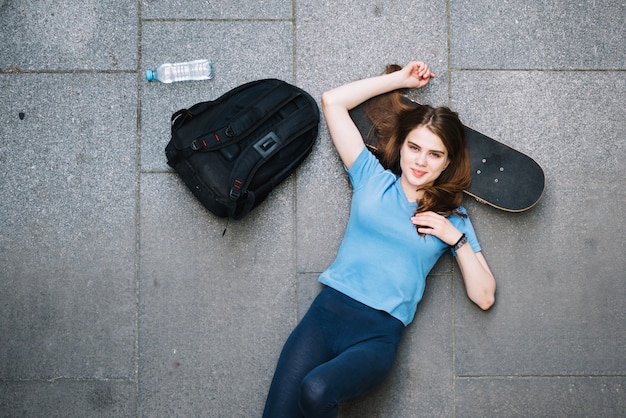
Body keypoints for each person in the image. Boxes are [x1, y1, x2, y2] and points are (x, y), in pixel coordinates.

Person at [262, 61, 496, 418]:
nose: (420, 162)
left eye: (434, 155)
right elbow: (332, 102)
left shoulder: (454, 218)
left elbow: (484, 296)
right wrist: (399, 81)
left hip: (376, 336)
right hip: (325, 316)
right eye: (414, 147)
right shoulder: (371, 177)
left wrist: (456, 239)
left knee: (315, 390)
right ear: (401, 146)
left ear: (447, 162)